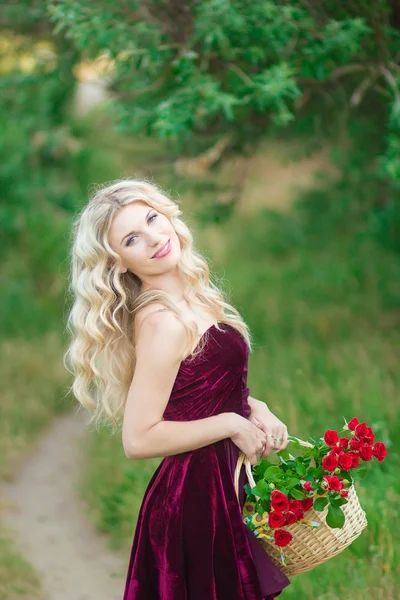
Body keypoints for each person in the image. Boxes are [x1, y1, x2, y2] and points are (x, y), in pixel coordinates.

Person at [64, 178, 292, 599]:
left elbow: (199, 390)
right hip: (195, 503)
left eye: (152, 219)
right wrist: (229, 423)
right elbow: (139, 437)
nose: (154, 238)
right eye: (133, 238)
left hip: (224, 487)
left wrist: (253, 407)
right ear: (118, 263)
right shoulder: (162, 321)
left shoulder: (193, 297)